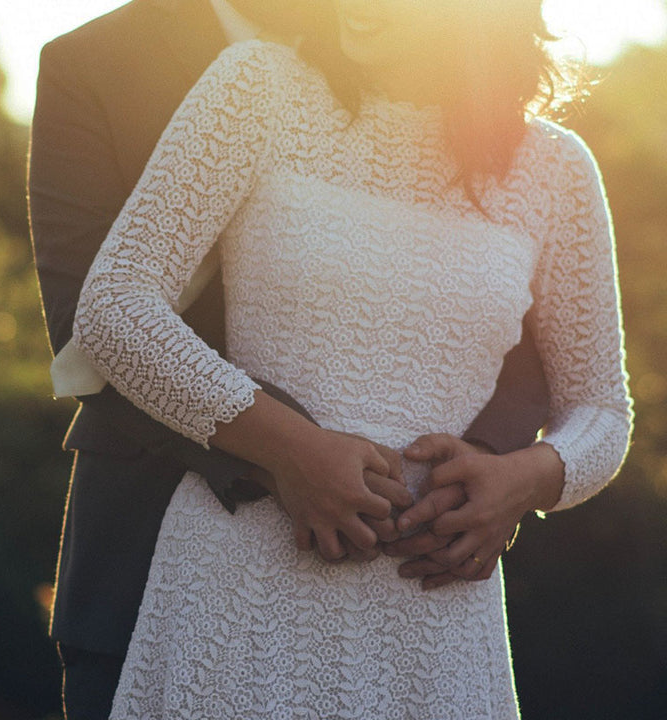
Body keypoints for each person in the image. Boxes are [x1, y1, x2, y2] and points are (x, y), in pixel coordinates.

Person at [70, 0, 633, 716]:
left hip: (432, 620)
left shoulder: (556, 170)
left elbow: (601, 409)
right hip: (240, 593)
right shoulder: (256, 86)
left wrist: (526, 479)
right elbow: (115, 305)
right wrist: (290, 449)